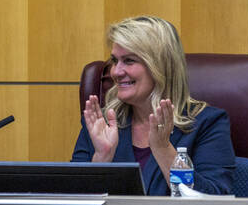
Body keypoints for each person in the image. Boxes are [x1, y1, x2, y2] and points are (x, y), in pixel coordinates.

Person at [72, 16, 235, 195]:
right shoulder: (101, 124)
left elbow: (213, 203)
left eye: (129, 61)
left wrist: (164, 149)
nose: (116, 72)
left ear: (160, 67)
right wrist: (102, 158)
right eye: (115, 61)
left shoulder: (207, 123)